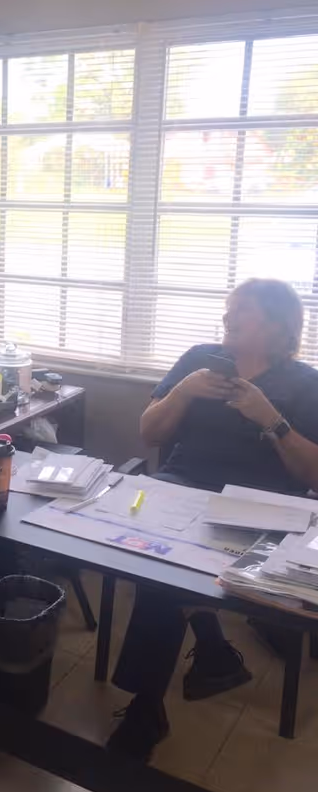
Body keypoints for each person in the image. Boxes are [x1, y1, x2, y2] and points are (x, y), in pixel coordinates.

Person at [107, 278, 318, 761]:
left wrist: (272, 420)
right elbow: (148, 433)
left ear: (276, 325)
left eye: (239, 311)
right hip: (181, 488)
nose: (226, 318)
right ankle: (211, 652)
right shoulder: (199, 359)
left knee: (165, 573)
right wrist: (183, 391)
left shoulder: (304, 384)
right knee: (160, 559)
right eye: (227, 308)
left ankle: (147, 705)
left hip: (259, 507)